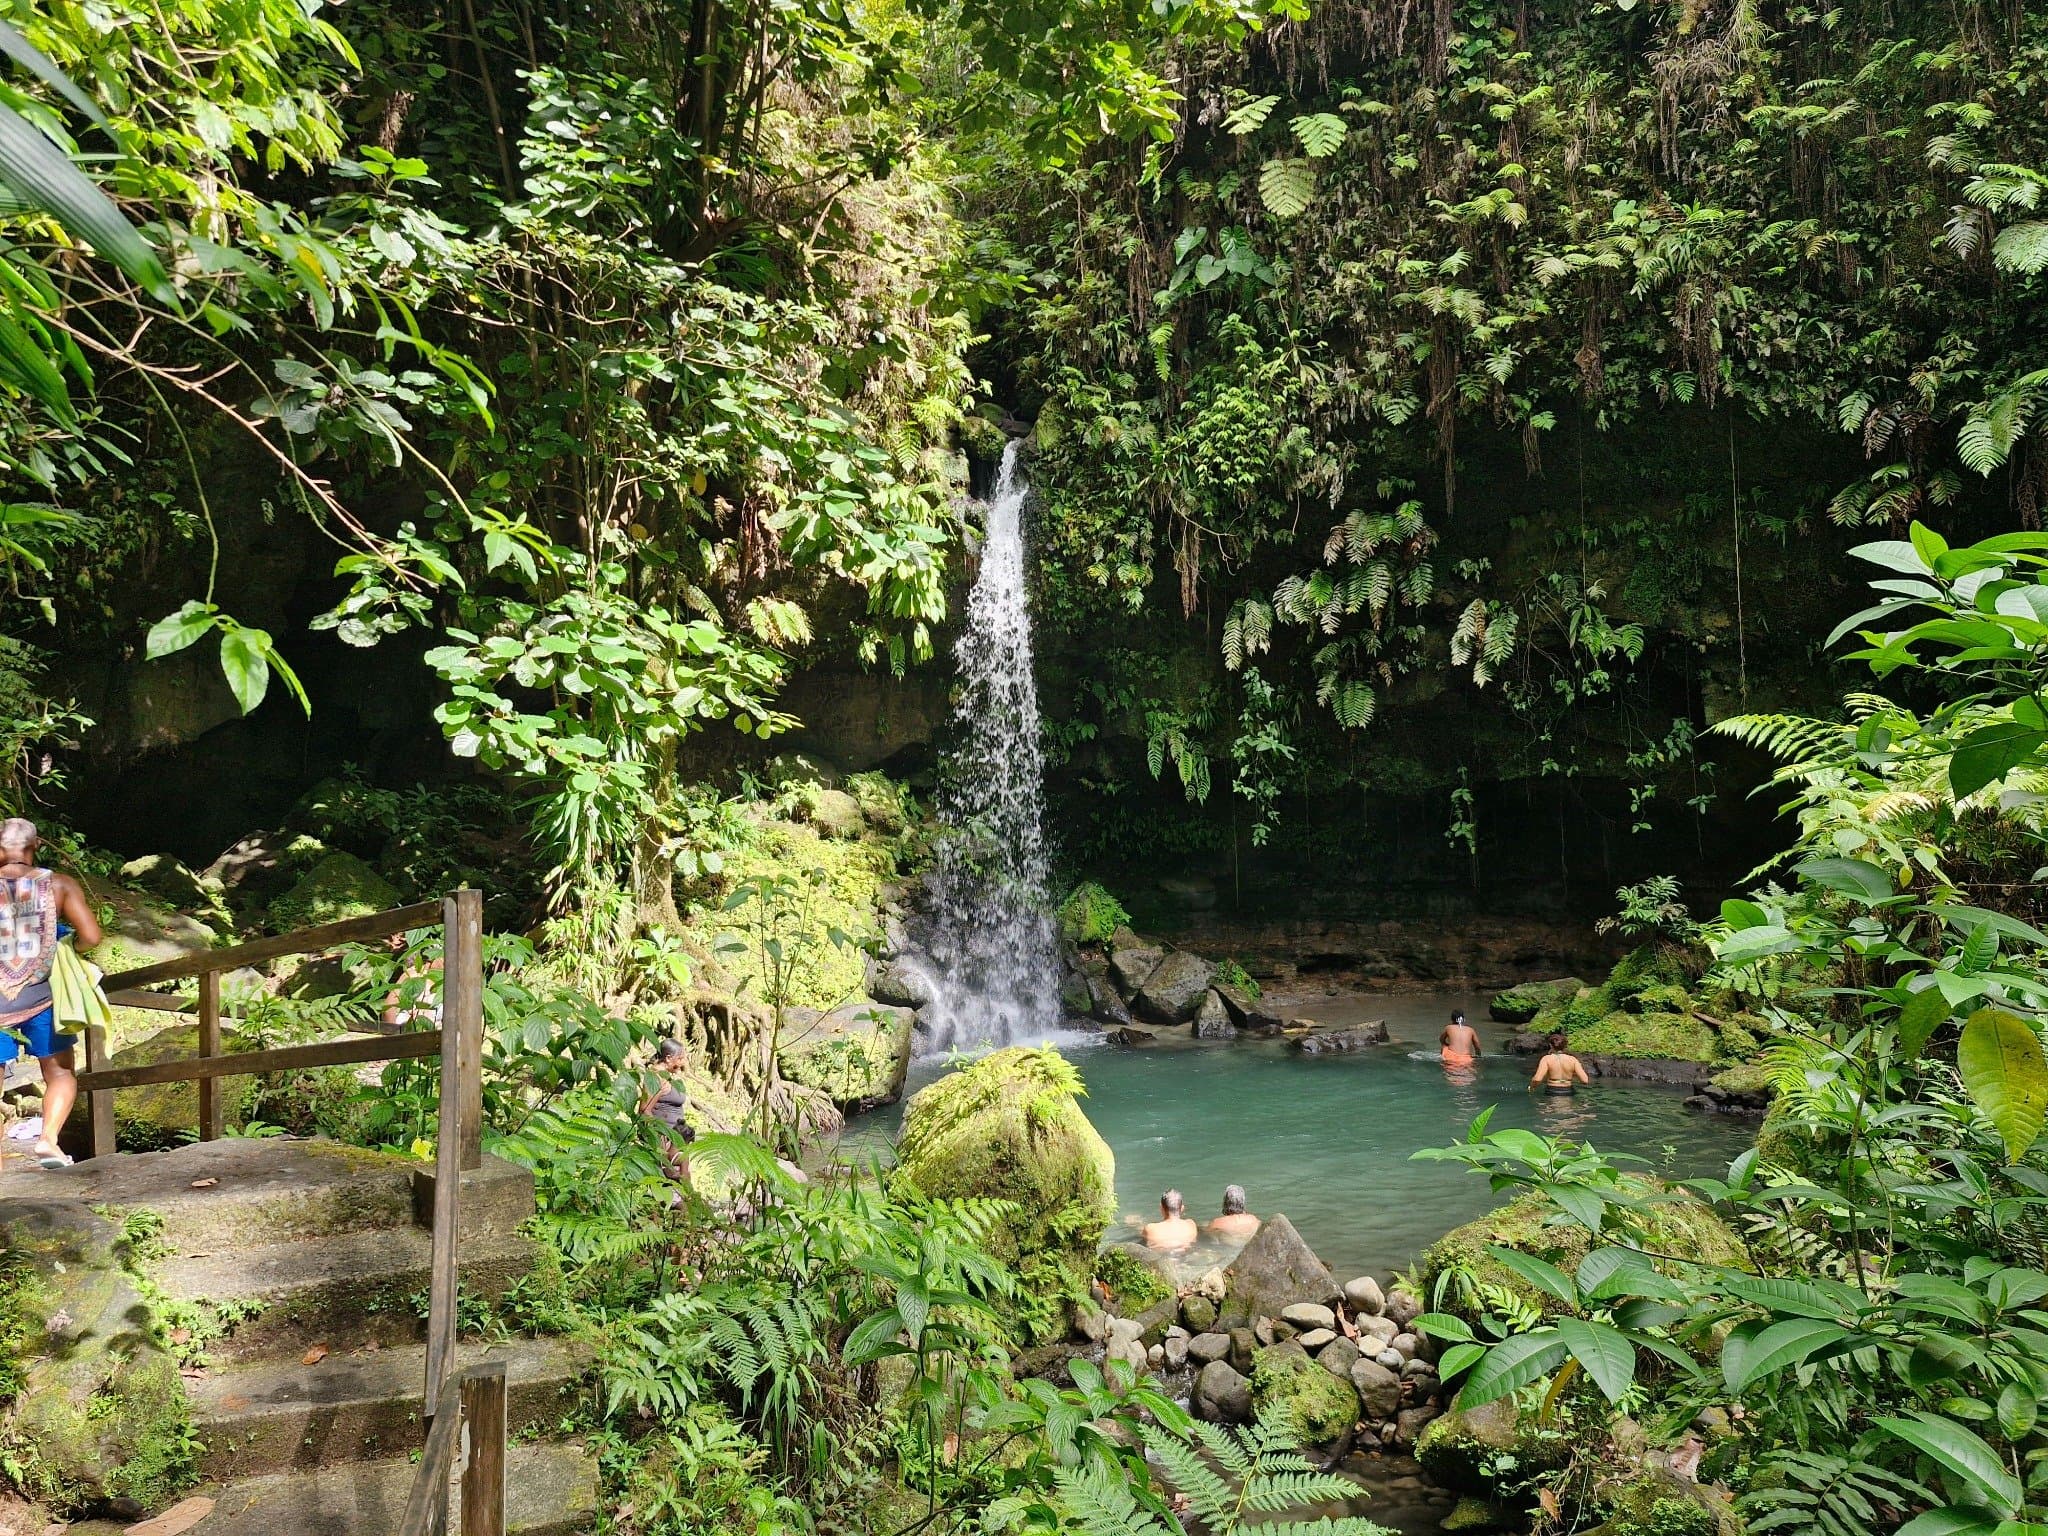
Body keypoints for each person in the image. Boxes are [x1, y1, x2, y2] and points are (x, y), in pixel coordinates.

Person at [0, 819, 103, 1169]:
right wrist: (65, 944)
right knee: (59, 1074)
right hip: (43, 997)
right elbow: (91, 937)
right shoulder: (59, 885)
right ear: (35, 847)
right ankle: (47, 1141)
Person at [638, 1037, 695, 1187]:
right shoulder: (657, 1078)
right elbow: (645, 1110)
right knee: (679, 1178)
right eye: (680, 1058)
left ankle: (688, 1201)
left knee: (684, 1173)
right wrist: (659, 1143)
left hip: (675, 1137)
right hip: (665, 1140)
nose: (682, 1063)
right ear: (668, 1058)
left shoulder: (667, 1076)